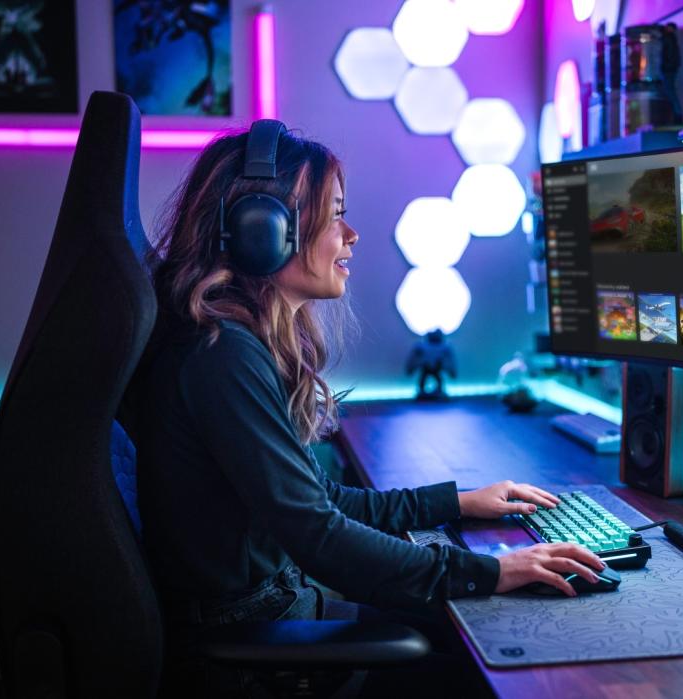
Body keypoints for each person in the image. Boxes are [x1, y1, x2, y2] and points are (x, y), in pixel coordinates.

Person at [134, 122, 605, 697]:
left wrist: (453, 503)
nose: (351, 234)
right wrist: (492, 569)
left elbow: (316, 501)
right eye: (334, 214)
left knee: (473, 627)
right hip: (254, 643)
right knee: (494, 656)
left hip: (270, 609)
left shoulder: (229, 344)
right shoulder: (221, 356)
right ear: (262, 231)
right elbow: (318, 536)